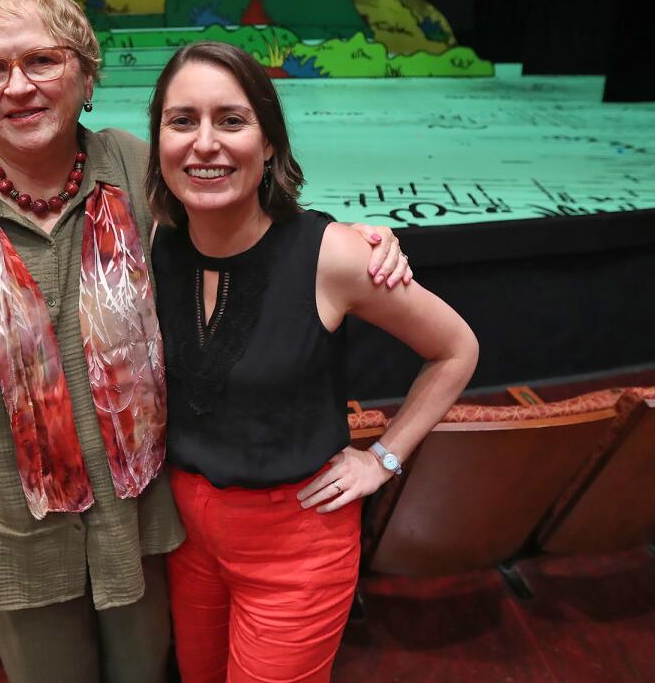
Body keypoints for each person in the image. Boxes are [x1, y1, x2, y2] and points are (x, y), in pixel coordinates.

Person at [0, 0, 409, 683]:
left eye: (42, 60)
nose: (18, 85)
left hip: (146, 534)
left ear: (85, 75)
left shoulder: (139, 169)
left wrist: (356, 237)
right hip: (13, 537)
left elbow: (249, 217)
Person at [147, 42, 479, 683]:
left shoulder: (334, 255)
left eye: (232, 120)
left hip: (296, 545)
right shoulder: (157, 243)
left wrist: (382, 458)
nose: (205, 143)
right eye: (182, 120)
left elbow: (456, 350)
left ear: (268, 142)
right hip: (186, 534)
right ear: (158, 139)